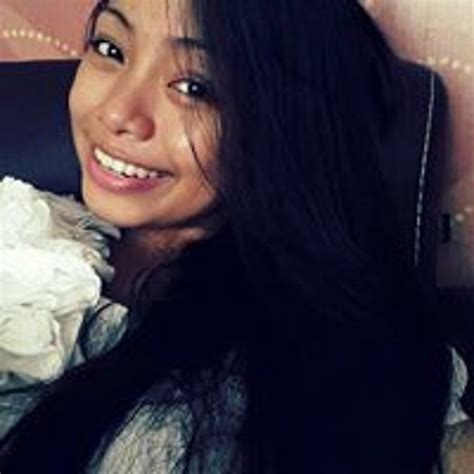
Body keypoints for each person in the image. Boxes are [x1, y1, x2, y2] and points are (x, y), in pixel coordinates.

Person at [0, 0, 452, 472]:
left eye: (194, 87)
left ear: (288, 126)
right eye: (110, 49)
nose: (117, 112)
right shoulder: (22, 221)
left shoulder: (334, 361)